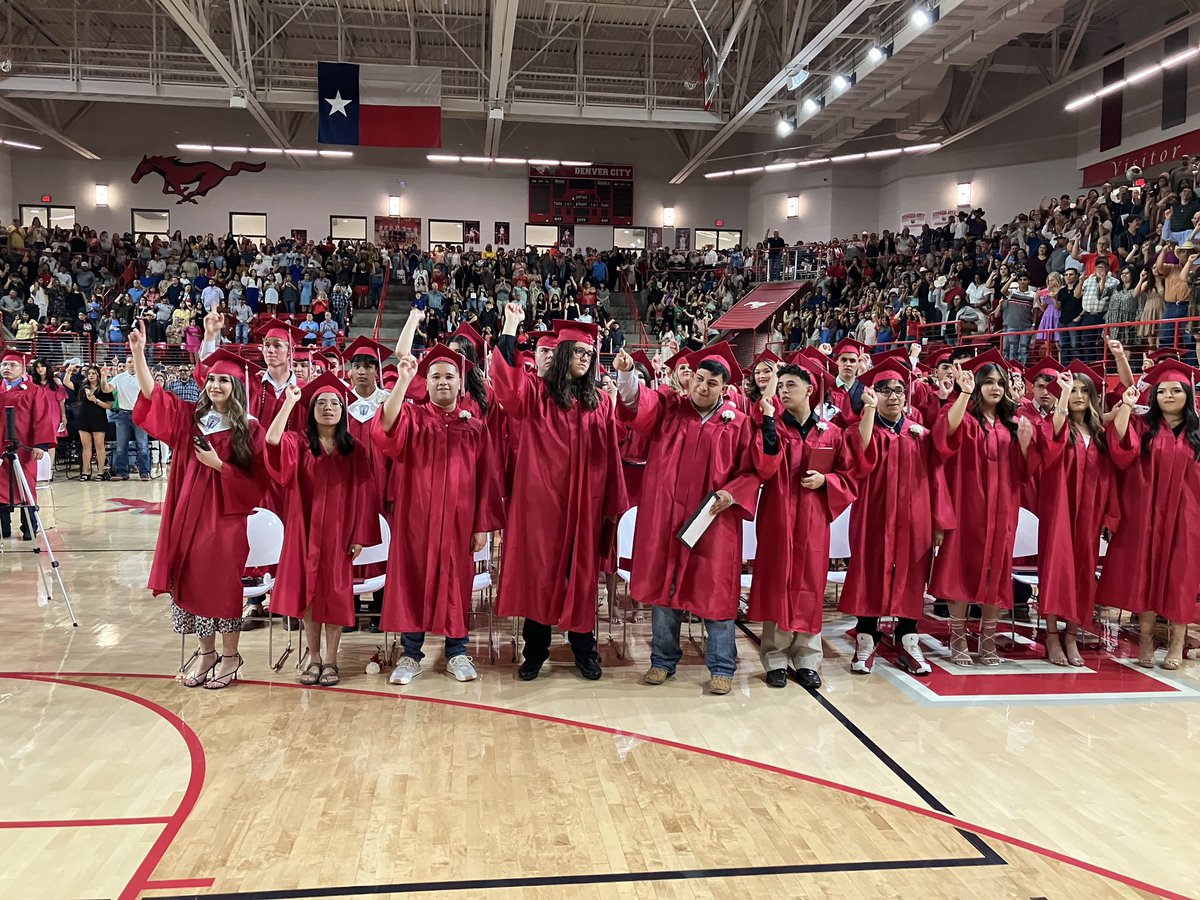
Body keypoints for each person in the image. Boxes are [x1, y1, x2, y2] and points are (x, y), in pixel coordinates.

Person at [614, 342, 772, 695]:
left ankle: (721, 666)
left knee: (715, 594)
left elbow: (752, 471)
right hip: (667, 520)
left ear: (724, 389)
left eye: (711, 383)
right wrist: (626, 375)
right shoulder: (670, 409)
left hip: (713, 523)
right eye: (698, 379)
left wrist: (733, 493)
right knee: (665, 592)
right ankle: (662, 662)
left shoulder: (739, 424)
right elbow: (637, 407)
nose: (702, 387)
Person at [128, 328, 269, 689]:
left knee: (221, 586)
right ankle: (207, 654)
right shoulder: (192, 418)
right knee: (189, 582)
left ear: (236, 388)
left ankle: (232, 656)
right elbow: (152, 397)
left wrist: (219, 465)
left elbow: (257, 483)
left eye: (225, 380)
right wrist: (139, 353)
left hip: (224, 520)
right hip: (186, 517)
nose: (216, 385)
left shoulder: (248, 429)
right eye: (212, 379)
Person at [492, 305, 626, 681]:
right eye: (578, 352)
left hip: (585, 506)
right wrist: (510, 325)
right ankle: (534, 652)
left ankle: (584, 651)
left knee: (581, 580)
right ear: (564, 354)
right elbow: (506, 385)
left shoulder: (596, 404)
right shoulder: (536, 394)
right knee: (541, 577)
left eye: (589, 353)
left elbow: (611, 455)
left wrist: (607, 505)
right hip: (543, 508)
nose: (584, 358)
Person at [374, 345, 502, 685]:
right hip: (415, 521)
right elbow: (384, 430)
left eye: (448, 377)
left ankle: (457, 652)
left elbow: (487, 479)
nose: (442, 382)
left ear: (460, 383)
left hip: (458, 524)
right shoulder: (412, 417)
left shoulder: (474, 426)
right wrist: (402, 381)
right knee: (413, 582)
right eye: (435, 377)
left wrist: (482, 527)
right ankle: (410, 655)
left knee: (455, 586)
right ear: (425, 383)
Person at [750, 360, 860, 689]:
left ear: (810, 391)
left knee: (810, 585)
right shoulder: (772, 427)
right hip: (778, 518)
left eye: (790, 386)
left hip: (812, 523)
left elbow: (849, 478)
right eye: (779, 386)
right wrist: (768, 421)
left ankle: (808, 658)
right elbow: (764, 468)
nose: (782, 391)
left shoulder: (831, 433)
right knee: (778, 584)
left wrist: (826, 481)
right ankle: (775, 658)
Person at [265, 373, 379, 688]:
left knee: (336, 595)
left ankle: (331, 660)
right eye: (321, 403)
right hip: (305, 532)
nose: (328, 408)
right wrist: (289, 402)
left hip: (340, 533)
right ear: (311, 408)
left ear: (343, 411)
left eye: (335, 403)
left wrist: (359, 534)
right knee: (310, 596)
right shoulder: (298, 443)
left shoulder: (353, 448)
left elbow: (365, 493)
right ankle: (313, 658)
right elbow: (271, 442)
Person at [841, 360, 950, 676]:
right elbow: (858, 459)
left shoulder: (920, 435)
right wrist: (869, 412)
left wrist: (939, 522)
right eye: (885, 390)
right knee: (870, 570)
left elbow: (936, 479)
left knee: (911, 575)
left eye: (898, 391)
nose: (892, 396)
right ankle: (867, 636)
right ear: (874, 395)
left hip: (914, 518)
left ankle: (908, 635)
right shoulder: (864, 430)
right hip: (873, 516)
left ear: (907, 396)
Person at [930, 350, 1035, 666]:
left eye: (1000, 383)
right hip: (968, 506)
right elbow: (944, 435)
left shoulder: (1011, 424)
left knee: (996, 574)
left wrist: (1027, 445)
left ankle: (988, 639)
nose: (995, 388)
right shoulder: (965, 415)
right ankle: (959, 637)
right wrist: (962, 393)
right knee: (961, 571)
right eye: (987, 382)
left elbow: (1026, 472)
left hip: (1003, 509)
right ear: (976, 386)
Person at [1099, 360, 1200, 670]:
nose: (1168, 396)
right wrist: (1126, 408)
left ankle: (1178, 642)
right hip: (1146, 513)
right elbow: (1121, 450)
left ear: (1189, 395)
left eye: (1175, 391)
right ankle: (1145, 639)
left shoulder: (1197, 434)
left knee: (1181, 578)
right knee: (1144, 574)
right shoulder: (1144, 427)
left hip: (1186, 517)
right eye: (1162, 391)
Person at [1036, 366, 1120, 667]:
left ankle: (1072, 635)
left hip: (1089, 512)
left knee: (1083, 571)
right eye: (1074, 391)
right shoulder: (1053, 424)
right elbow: (1050, 448)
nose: (1079, 396)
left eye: (1085, 391)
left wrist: (1109, 514)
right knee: (1056, 570)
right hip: (1059, 508)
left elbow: (1108, 474)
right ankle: (1051, 636)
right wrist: (1062, 395)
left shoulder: (1098, 432)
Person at [0, 349, 57, 541]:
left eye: (12, 365)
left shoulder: (35, 391)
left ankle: (29, 528)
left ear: (23, 369)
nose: (7, 368)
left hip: (23, 449)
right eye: (4, 365)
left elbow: (41, 419)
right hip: (0, 449)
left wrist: (40, 444)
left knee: (25, 486)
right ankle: (4, 529)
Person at [106, 356, 153, 481]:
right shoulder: (119, 378)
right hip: (123, 414)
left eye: (133, 361)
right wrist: (104, 377)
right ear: (126, 365)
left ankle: (144, 472)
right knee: (121, 446)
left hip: (140, 415)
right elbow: (107, 389)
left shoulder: (143, 377)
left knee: (142, 445)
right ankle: (122, 472)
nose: (132, 364)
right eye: (129, 362)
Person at [76, 365, 115, 480]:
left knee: (99, 445)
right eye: (89, 374)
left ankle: (101, 471)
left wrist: (95, 400)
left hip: (98, 419)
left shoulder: (104, 388)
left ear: (98, 374)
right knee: (86, 446)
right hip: (84, 419)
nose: (91, 376)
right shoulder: (84, 387)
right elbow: (68, 383)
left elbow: (109, 406)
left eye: (93, 373)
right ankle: (86, 471)